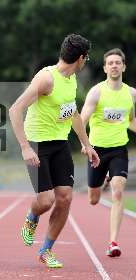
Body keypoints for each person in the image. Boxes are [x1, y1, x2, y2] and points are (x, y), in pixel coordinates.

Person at [9, 34, 100, 268]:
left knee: (65, 198)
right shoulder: (46, 79)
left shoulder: (71, 80)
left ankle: (46, 250)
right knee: (46, 200)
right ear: (80, 58)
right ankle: (31, 217)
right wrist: (25, 148)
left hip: (59, 145)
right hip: (37, 146)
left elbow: (74, 114)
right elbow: (15, 110)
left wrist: (87, 144)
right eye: (86, 59)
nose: (85, 62)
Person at [80, 48, 136, 257]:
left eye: (117, 62)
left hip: (119, 149)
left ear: (123, 66)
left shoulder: (131, 94)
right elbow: (82, 120)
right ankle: (100, 181)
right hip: (97, 151)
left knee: (119, 190)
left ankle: (113, 242)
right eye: (110, 63)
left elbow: (129, 121)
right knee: (93, 199)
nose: (114, 65)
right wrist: (85, 144)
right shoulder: (97, 92)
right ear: (105, 68)